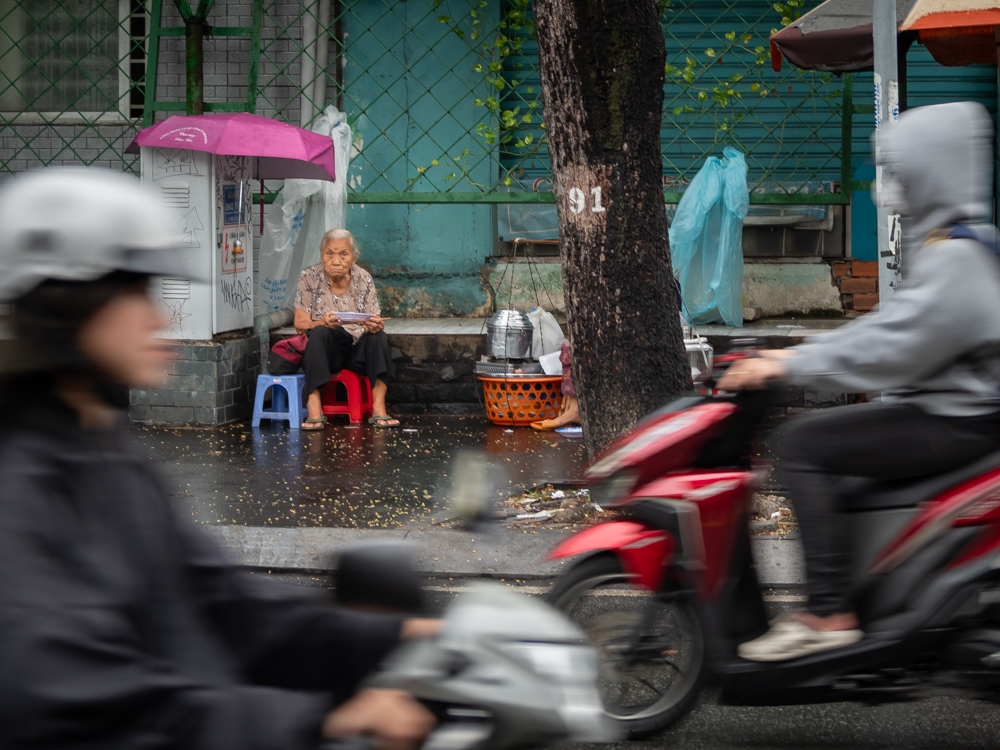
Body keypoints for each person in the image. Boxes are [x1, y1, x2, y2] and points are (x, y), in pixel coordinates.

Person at [0, 167, 438, 748]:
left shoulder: (110, 454)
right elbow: (90, 704)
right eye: (133, 294)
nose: (157, 318)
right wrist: (320, 722)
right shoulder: (21, 490)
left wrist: (391, 638)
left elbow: (223, 602)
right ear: (67, 308)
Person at [718, 102, 1000, 661]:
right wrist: (794, 353)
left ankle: (827, 615)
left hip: (959, 420)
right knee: (842, 477)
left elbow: (895, 346)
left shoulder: (958, 258)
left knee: (802, 443)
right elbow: (893, 329)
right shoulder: (957, 242)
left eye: (896, 171)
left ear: (930, 170)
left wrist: (788, 365)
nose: (884, 186)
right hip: (956, 410)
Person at [292, 229, 398, 429]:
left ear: (354, 258)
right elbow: (300, 323)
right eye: (329, 253)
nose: (336, 260)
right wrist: (321, 323)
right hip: (328, 352)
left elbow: (373, 317)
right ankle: (314, 405)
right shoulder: (309, 277)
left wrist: (376, 325)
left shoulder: (364, 278)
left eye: (343, 254)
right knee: (319, 332)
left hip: (357, 352)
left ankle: (379, 407)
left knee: (379, 337)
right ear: (322, 255)